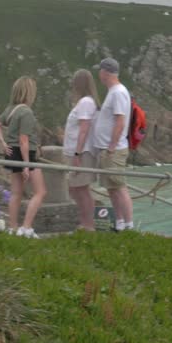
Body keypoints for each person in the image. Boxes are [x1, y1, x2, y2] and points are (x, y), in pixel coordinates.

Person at [0, 76, 46, 238]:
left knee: (16, 192)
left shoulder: (11, 109)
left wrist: (2, 142)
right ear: (29, 93)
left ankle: (13, 227)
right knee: (40, 192)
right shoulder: (26, 112)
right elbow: (24, 140)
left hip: (12, 152)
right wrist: (27, 165)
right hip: (25, 154)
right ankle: (26, 227)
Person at [91, 58, 134, 231]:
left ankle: (129, 225)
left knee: (119, 186)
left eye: (100, 71)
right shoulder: (114, 91)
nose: (98, 74)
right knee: (111, 188)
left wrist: (111, 146)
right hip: (107, 149)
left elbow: (120, 122)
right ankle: (120, 222)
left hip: (113, 150)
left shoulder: (117, 92)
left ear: (105, 73)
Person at [63, 69, 99, 231]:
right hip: (77, 152)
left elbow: (84, 129)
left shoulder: (85, 102)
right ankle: (84, 222)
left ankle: (88, 225)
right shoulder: (87, 101)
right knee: (75, 187)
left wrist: (77, 154)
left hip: (82, 153)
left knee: (81, 188)